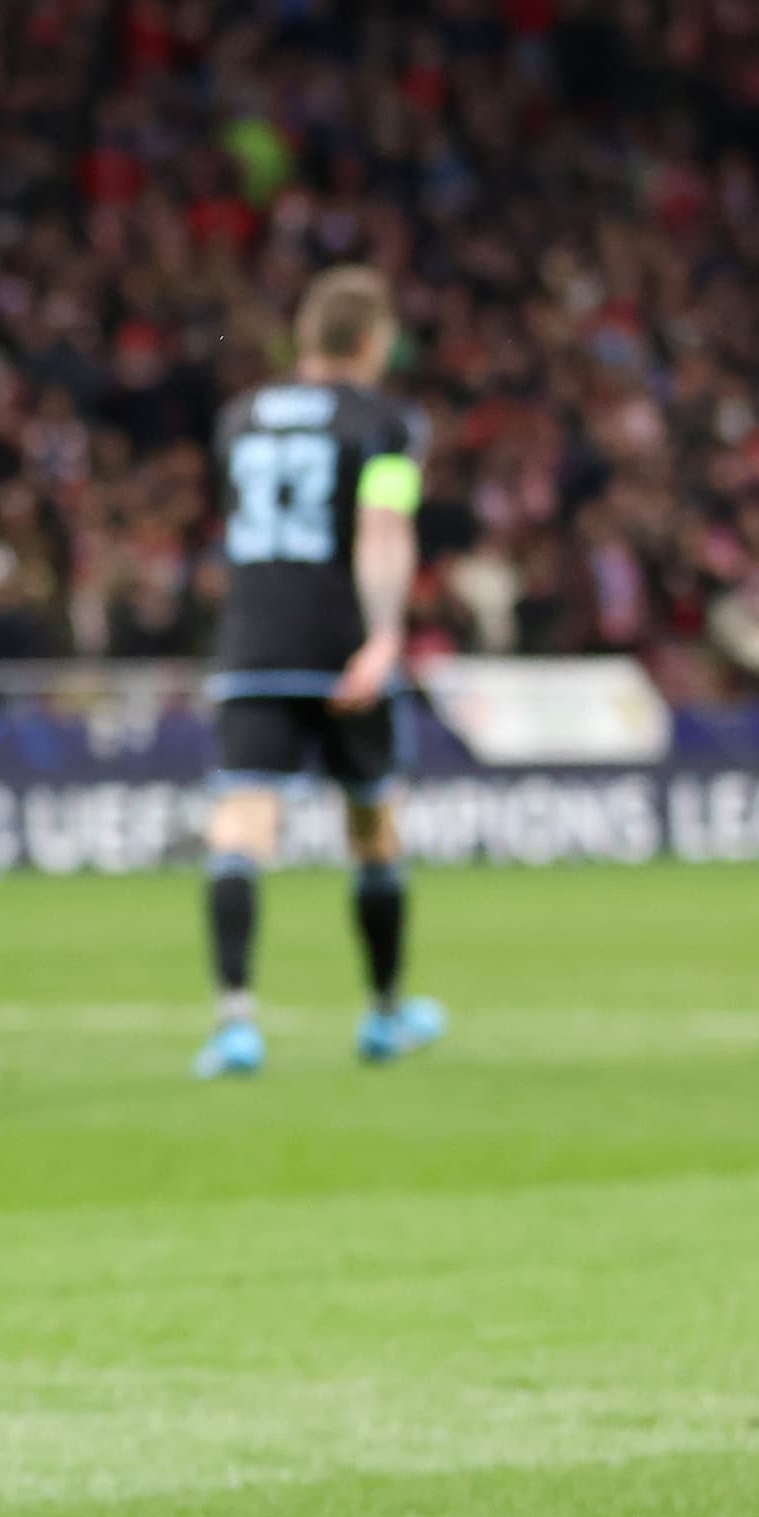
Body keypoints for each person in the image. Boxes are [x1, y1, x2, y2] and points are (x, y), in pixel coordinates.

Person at [193, 266, 447, 1077]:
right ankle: (384, 1014)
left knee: (241, 824)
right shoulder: (387, 424)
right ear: (375, 342)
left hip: (253, 644)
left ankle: (236, 1021)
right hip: (340, 645)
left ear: (305, 338)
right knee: (372, 825)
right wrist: (384, 637)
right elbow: (382, 527)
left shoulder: (240, 419)